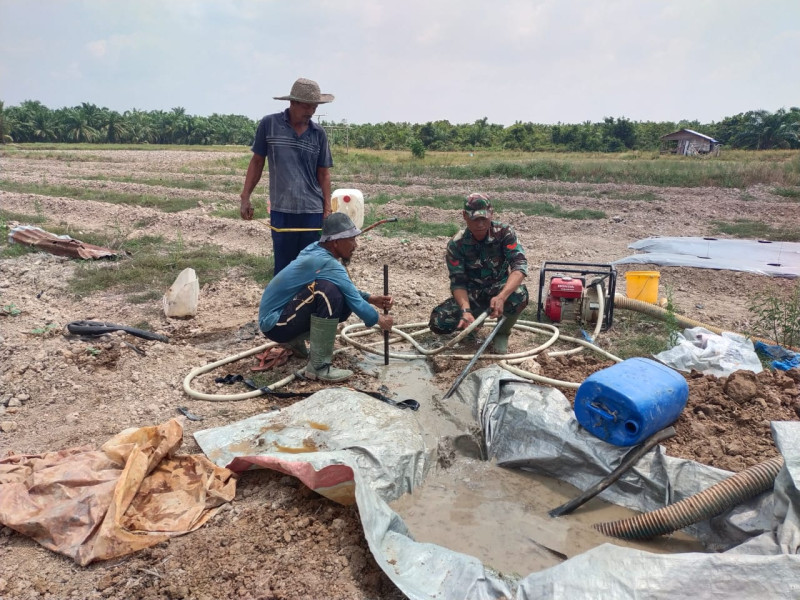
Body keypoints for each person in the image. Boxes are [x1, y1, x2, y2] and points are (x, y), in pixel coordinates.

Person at [258, 212, 394, 382]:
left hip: (280, 317)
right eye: (351, 239)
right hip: (274, 323)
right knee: (328, 292)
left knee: (337, 295)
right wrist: (380, 320)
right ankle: (318, 367)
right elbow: (355, 301)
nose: (355, 245)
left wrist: (371, 298)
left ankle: (294, 341)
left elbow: (348, 290)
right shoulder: (327, 263)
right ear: (336, 242)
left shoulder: (316, 249)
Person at [240, 77, 335, 275]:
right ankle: (284, 306)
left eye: (315, 108)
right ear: (292, 103)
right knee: (283, 269)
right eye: (307, 107)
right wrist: (245, 197)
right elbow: (257, 161)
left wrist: (327, 209)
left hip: (312, 213)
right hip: (282, 211)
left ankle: (307, 306)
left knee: (310, 269)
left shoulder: (319, 134)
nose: (311, 112)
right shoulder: (270, 125)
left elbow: (324, 173)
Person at [428, 193, 529, 353]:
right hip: (472, 296)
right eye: (475, 219)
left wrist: (502, 296)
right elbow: (458, 282)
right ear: (464, 216)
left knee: (519, 294)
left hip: (498, 291)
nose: (480, 224)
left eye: (484, 219)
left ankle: (501, 333)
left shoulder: (504, 233)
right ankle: (470, 327)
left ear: (491, 214)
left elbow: (519, 266)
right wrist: (465, 310)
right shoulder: (457, 244)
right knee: (438, 322)